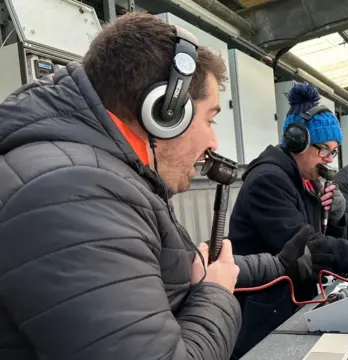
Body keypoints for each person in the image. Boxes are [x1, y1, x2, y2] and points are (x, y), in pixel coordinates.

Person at [0, 13, 319, 360]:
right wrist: (215, 295)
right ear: (166, 113)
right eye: (210, 119)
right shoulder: (74, 194)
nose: (213, 140)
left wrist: (280, 263)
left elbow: (192, 266)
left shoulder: (103, 178)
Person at [227, 82, 348, 358]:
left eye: (333, 153)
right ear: (298, 142)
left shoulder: (302, 180)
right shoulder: (269, 180)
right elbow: (312, 249)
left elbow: (327, 243)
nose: (328, 160)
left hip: (293, 301)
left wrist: (338, 217)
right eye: (325, 151)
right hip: (265, 315)